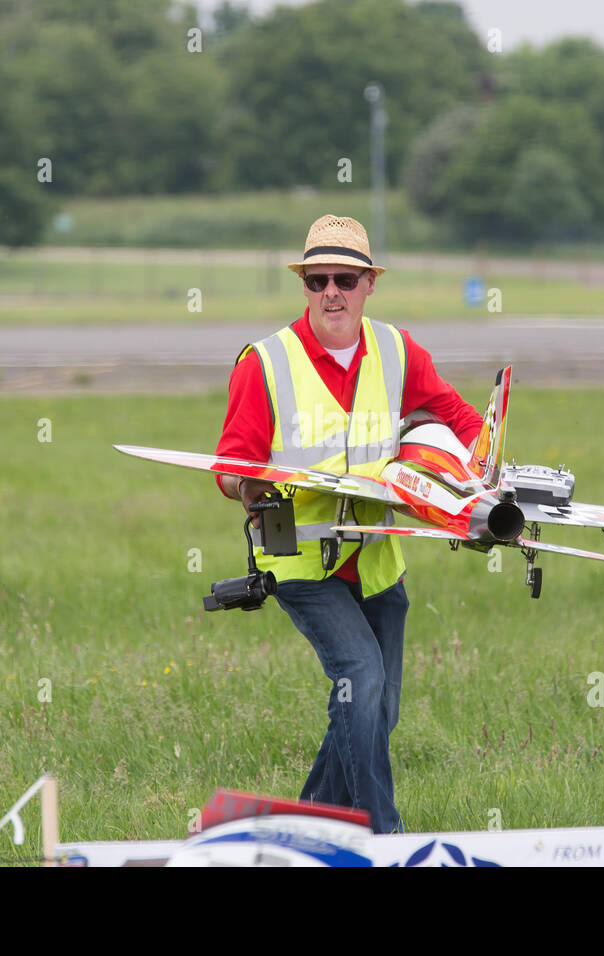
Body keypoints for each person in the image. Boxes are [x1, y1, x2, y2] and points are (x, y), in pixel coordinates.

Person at [215, 215, 483, 833]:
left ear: (369, 284)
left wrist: (482, 476)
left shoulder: (398, 350)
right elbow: (229, 469)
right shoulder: (264, 363)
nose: (331, 292)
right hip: (302, 560)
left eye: (345, 278)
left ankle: (294, 832)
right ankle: (383, 840)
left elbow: (458, 417)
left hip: (379, 560)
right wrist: (252, 486)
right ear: (305, 286)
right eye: (317, 280)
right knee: (360, 678)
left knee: (375, 710)